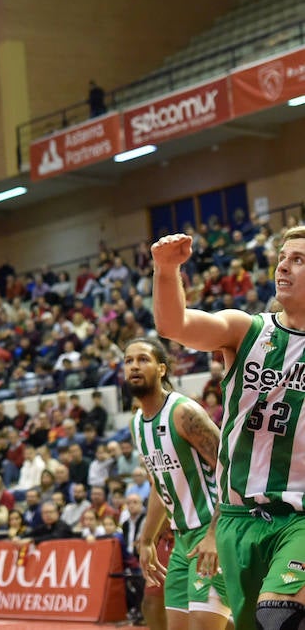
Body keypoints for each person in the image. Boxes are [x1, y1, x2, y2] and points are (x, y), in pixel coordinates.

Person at [152, 229, 305, 630]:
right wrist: (166, 270)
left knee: (281, 617)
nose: (283, 267)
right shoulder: (246, 329)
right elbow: (174, 325)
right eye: (282, 257)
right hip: (237, 518)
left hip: (298, 516)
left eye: (298, 260)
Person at [125, 336, 230, 630]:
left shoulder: (184, 413)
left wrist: (214, 534)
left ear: (161, 369)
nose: (134, 366)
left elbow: (231, 469)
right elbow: (160, 485)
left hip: (212, 531)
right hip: (181, 539)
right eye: (129, 361)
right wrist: (147, 540)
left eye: (143, 359)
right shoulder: (137, 424)